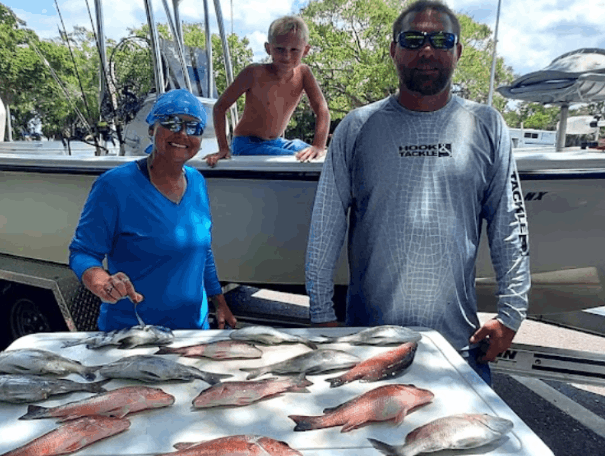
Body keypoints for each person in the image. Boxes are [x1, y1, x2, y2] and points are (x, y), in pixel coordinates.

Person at [304, 0, 530, 386]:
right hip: (368, 346)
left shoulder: (487, 125)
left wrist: (512, 313)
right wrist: (321, 312)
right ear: (394, 49)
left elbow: (510, 224)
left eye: (441, 40)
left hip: (458, 349)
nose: (427, 50)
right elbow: (326, 223)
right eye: (413, 39)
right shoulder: (357, 127)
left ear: (458, 51)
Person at [70, 89, 237, 332]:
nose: (182, 133)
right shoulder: (114, 185)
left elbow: (203, 252)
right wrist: (102, 282)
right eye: (171, 122)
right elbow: (82, 252)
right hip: (134, 334)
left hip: (192, 333)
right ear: (151, 129)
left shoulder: (198, 182)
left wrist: (219, 302)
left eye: (194, 127)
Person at [203, 15, 330, 166]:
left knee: (327, 155)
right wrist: (223, 148)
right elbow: (220, 107)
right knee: (300, 159)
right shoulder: (253, 73)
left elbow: (322, 109)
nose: (287, 56)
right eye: (280, 49)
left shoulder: (304, 73)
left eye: (294, 50)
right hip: (246, 144)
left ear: (306, 50)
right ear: (268, 48)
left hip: (277, 142)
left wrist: (318, 146)